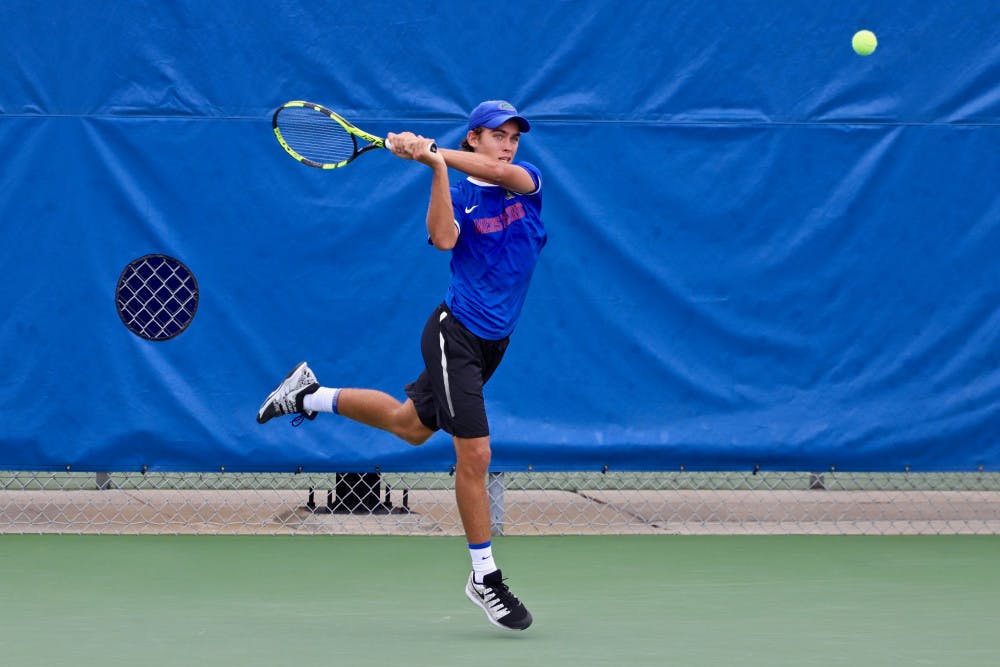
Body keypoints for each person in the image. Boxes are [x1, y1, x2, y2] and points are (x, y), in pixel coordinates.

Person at [256, 100, 545, 631]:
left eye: (514, 136)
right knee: (475, 454)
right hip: (455, 335)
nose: (508, 145)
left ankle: (308, 394)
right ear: (474, 136)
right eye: (497, 135)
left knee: (407, 425)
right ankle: (485, 576)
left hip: (493, 343)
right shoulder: (460, 192)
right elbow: (444, 239)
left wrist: (434, 153)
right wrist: (434, 167)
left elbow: (500, 172)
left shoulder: (526, 180)